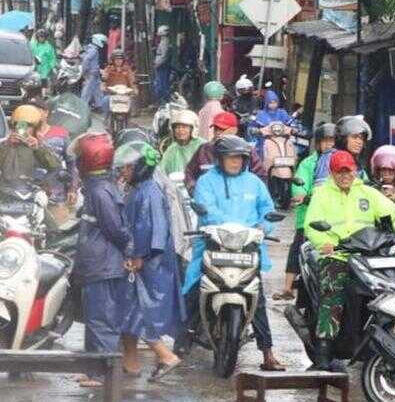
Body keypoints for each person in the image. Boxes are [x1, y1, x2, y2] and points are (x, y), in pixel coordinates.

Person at [181, 135, 286, 371]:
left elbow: (267, 209)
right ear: (220, 159)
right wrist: (228, 229)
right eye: (231, 157)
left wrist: (263, 227)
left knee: (257, 298)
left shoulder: (254, 183)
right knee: (194, 288)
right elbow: (206, 210)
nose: (235, 162)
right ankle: (180, 344)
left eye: (239, 157)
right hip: (214, 243)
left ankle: (267, 352)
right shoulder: (207, 181)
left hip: (248, 246)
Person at [303, 151, 395, 370]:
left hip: (367, 255)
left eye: (349, 171)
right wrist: (323, 243)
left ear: (355, 170)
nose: (345, 176)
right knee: (332, 294)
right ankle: (324, 349)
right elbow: (311, 225)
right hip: (337, 254)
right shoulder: (321, 194)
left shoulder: (367, 193)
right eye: (340, 171)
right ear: (332, 173)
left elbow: (391, 215)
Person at [113, 143, 186, 382]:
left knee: (138, 311)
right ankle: (131, 362)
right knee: (128, 310)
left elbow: (148, 228)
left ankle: (165, 355)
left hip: (147, 262)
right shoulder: (140, 189)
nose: (123, 171)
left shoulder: (148, 191)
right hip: (144, 259)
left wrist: (138, 257)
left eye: (128, 167)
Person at [73, 133, 130, 387]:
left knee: (102, 319)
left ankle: (103, 373)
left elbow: (115, 229)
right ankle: (92, 368)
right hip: (96, 262)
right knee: (93, 317)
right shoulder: (97, 187)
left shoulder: (101, 191)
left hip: (103, 264)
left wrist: (128, 250)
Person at [277, 122, 335, 300]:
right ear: (318, 143)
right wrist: (302, 195)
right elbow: (300, 184)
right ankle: (287, 288)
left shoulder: (341, 162)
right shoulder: (309, 163)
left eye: (332, 141)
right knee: (297, 248)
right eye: (325, 141)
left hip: (333, 219)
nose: (329, 145)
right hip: (308, 217)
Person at [183, 111, 263, 191]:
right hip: (208, 200)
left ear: (234, 130)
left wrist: (250, 196)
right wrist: (195, 190)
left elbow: (260, 176)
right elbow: (189, 173)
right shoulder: (204, 149)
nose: (217, 133)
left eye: (221, 129)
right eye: (215, 129)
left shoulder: (246, 150)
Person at [0, 105, 61, 185]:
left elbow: (55, 167)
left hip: (33, 190)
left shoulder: (39, 145)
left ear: (35, 128)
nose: (23, 129)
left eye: (28, 126)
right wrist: (7, 145)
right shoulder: (5, 145)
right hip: (7, 190)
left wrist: (38, 148)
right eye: (20, 125)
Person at [313, 115, 370, 183]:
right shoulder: (330, 157)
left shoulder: (357, 163)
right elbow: (320, 186)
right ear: (343, 138)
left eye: (362, 138)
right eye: (354, 137)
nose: (359, 142)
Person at [159, 108, 204, 176]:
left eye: (184, 127)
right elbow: (162, 170)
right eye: (177, 127)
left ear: (192, 129)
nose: (180, 130)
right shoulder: (171, 149)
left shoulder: (202, 146)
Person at [80, 34, 109, 112]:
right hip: (92, 74)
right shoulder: (93, 50)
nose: (103, 44)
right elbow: (86, 60)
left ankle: (100, 106)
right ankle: (82, 108)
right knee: (87, 91)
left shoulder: (90, 49)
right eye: (102, 42)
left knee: (98, 91)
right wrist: (84, 71)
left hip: (94, 73)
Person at [152, 26, 172, 103]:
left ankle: (165, 101)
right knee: (161, 84)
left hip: (162, 66)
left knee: (162, 85)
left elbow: (164, 56)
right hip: (162, 65)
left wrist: (157, 64)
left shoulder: (165, 42)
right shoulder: (163, 41)